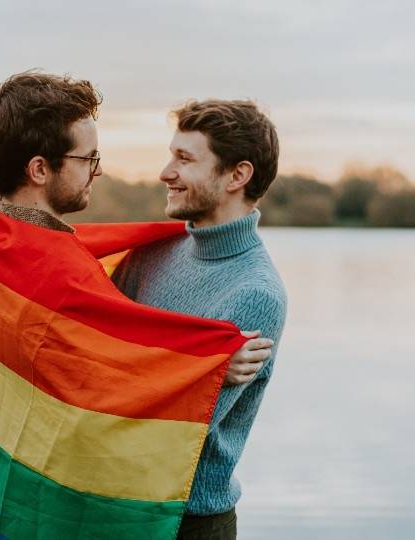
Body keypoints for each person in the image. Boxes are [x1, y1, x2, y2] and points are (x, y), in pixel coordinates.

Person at [0, 71, 270, 539]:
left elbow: (103, 367)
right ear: (40, 170)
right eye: (88, 158)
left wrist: (205, 362)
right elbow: (102, 397)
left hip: (28, 495)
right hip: (64, 506)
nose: (96, 170)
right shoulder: (66, 275)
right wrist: (206, 365)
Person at [113, 99, 287, 540]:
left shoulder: (254, 294)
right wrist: (197, 369)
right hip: (114, 503)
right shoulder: (151, 253)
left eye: (184, 159)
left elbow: (176, 434)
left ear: (237, 175)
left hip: (188, 523)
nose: (165, 172)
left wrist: (198, 378)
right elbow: (95, 351)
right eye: (171, 155)